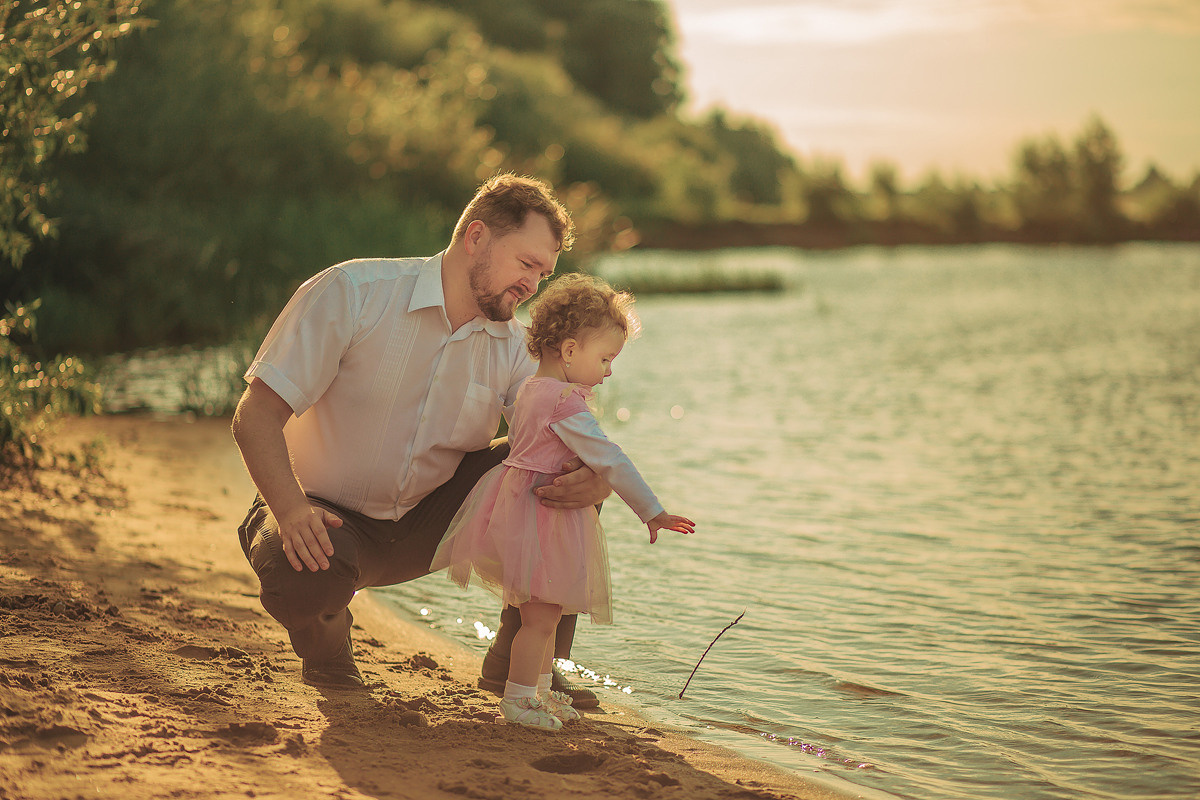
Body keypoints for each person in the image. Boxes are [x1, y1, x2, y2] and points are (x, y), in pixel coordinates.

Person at [231, 174, 609, 707]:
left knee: (567, 467)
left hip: (433, 524)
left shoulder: (516, 347)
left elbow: (574, 439)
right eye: (526, 264)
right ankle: (329, 651)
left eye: (543, 275)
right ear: (475, 237)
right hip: (322, 516)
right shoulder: (352, 292)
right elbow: (254, 416)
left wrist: (597, 479)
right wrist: (290, 510)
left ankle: (523, 661)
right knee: (302, 577)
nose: (532, 285)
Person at [429, 274, 695, 730]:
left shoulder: (532, 389)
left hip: (522, 512)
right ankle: (518, 700)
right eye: (605, 358)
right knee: (539, 620)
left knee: (546, 615)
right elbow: (609, 458)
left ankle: (540, 693)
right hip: (545, 519)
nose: (608, 371)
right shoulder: (564, 402)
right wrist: (653, 512)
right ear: (569, 350)